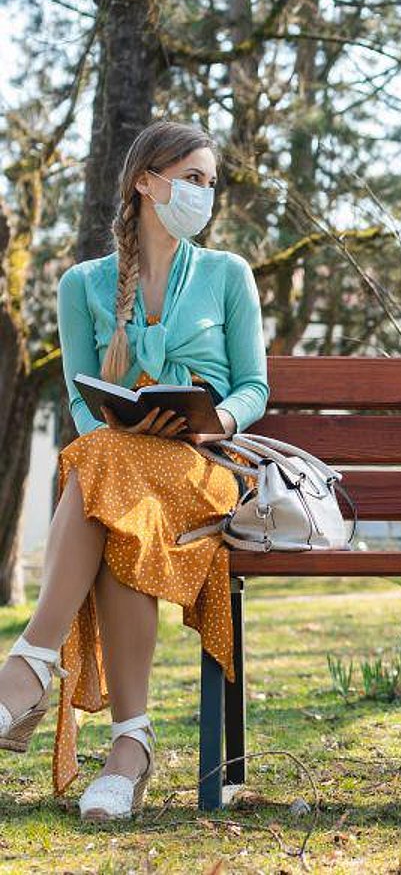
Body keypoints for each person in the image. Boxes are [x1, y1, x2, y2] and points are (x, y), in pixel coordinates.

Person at [0, 120, 268, 821]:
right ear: (145, 183)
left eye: (209, 182)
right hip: (120, 467)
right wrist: (123, 429)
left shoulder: (226, 274)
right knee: (114, 479)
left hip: (204, 466)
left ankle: (29, 668)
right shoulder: (83, 285)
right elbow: (84, 405)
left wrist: (217, 421)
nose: (203, 194)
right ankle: (130, 747)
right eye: (191, 178)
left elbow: (254, 387)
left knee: (103, 475)